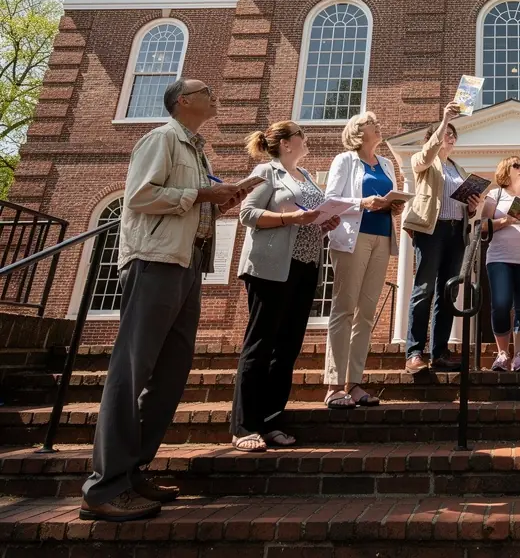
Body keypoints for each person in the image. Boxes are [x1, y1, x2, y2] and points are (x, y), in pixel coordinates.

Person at [80, 78, 246, 522]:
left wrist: (221, 199)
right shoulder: (161, 138)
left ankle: (133, 472)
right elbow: (139, 197)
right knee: (130, 373)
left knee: (171, 375)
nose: (214, 94)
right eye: (205, 90)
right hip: (154, 262)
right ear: (184, 101)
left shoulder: (197, 149)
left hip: (188, 263)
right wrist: (200, 194)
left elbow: (188, 203)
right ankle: (104, 487)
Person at [231, 121, 341, 451]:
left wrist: (324, 224)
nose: (306, 140)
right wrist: (289, 219)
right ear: (285, 143)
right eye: (300, 136)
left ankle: (271, 420)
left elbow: (307, 221)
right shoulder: (267, 171)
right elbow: (247, 213)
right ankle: (244, 426)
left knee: (287, 348)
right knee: (262, 343)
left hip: (305, 268)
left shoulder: (305, 176)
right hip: (271, 268)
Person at [322, 111, 402, 407]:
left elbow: (390, 197)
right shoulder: (344, 160)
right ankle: (333, 385)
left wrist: (393, 207)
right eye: (372, 122)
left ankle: (354, 383)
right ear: (357, 132)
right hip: (351, 238)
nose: (379, 124)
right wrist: (362, 202)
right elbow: (330, 200)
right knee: (344, 309)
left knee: (366, 313)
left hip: (382, 239)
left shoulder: (387, 164)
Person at [402, 101, 481, 374]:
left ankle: (440, 352)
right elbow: (425, 156)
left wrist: (471, 206)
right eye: (446, 133)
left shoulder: (458, 170)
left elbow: (464, 204)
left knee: (449, 292)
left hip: (455, 232)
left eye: (453, 135)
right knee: (424, 289)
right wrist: (445, 119)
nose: (450, 137)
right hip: (431, 229)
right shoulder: (422, 161)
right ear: (433, 137)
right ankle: (414, 352)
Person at [479, 155, 520, 372]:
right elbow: (482, 225)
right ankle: (502, 354)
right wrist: (507, 220)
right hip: (500, 257)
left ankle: (519, 356)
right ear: (505, 170)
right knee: (501, 304)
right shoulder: (495, 195)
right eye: (516, 165)